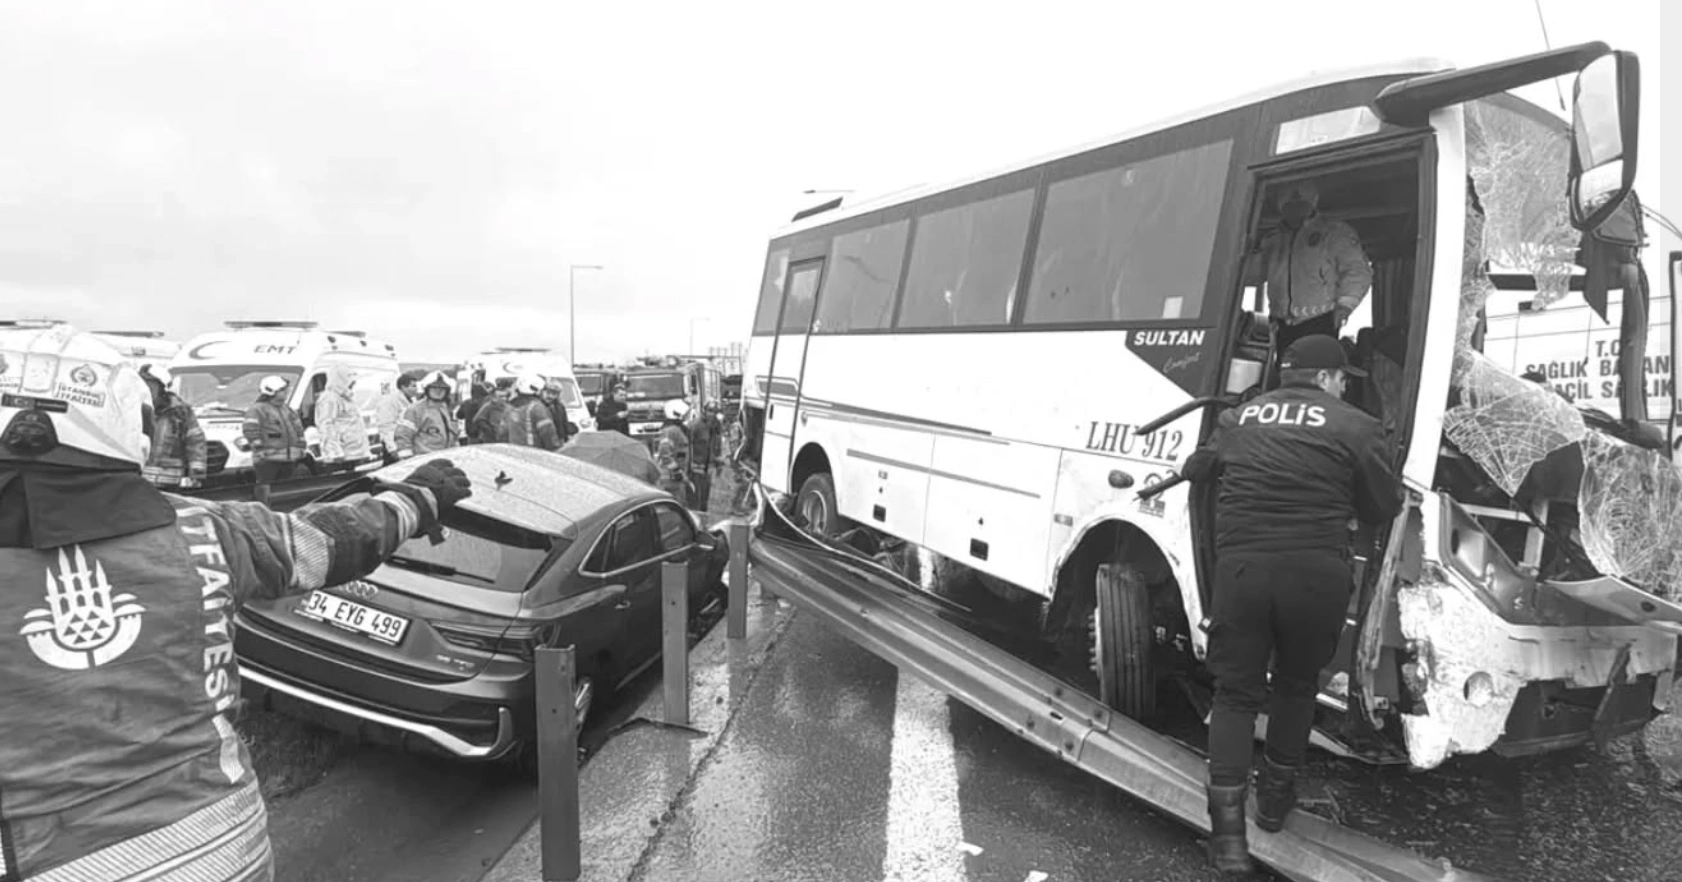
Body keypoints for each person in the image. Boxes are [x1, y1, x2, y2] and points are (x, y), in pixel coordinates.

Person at [0, 323, 474, 882]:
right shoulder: (203, 528)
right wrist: (417, 498)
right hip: (218, 842)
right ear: (128, 425)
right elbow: (327, 542)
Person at [1180, 334, 1403, 874]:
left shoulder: (1240, 419)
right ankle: (1275, 805)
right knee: (1297, 686)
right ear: (1326, 379)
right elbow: (1386, 504)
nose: (1344, 384)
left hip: (1244, 573)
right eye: (1342, 377)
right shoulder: (1355, 425)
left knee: (1235, 694)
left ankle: (1228, 840)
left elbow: (1196, 466)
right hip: (1315, 576)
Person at [1246, 180, 1374, 356]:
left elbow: (1357, 271)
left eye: (1300, 203)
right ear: (1280, 207)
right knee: (1285, 372)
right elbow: (1253, 275)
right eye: (1289, 205)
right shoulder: (1272, 240)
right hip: (1280, 324)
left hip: (1319, 321)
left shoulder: (1334, 233)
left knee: (1315, 372)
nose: (1295, 208)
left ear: (1313, 202)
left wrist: (1345, 306)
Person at [138, 364, 207, 491]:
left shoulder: (179, 411)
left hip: (168, 481)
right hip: (138, 481)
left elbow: (195, 440)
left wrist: (197, 471)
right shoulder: (132, 408)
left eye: (149, 385)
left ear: (162, 388)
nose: (144, 389)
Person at [241, 375, 307, 505]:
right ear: (272, 392)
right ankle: (265, 509)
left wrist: (301, 446)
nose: (286, 393)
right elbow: (250, 430)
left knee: (284, 489)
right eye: (283, 390)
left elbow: (298, 428)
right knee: (265, 487)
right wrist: (259, 448)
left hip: (289, 458)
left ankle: (282, 508)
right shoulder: (257, 409)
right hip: (268, 459)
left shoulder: (287, 409)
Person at [313, 365, 371, 466]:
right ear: (341, 379)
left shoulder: (346, 398)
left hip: (353, 453)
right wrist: (335, 453)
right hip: (341, 456)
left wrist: (364, 451)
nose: (353, 383)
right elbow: (326, 426)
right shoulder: (329, 398)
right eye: (350, 380)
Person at [394, 371, 459, 458]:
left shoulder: (444, 408)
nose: (438, 391)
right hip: (424, 460)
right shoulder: (415, 410)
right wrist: (408, 460)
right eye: (434, 388)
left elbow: (452, 434)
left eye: (442, 389)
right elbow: (403, 436)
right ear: (427, 389)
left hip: (445, 458)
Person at [375, 369, 424, 464]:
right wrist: (392, 448)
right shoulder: (390, 401)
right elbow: (386, 426)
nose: (416, 389)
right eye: (413, 386)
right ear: (403, 387)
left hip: (407, 442)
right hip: (394, 444)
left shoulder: (411, 400)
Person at [504, 373, 563, 451]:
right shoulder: (537, 408)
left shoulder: (509, 408)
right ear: (537, 390)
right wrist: (556, 450)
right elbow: (548, 435)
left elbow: (502, 434)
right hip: (534, 454)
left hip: (514, 453)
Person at [654, 399, 695, 507]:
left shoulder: (678, 430)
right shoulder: (671, 431)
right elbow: (665, 454)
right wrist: (678, 472)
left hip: (677, 478)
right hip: (671, 479)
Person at [688, 401, 724, 511]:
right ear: (704, 411)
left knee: (705, 499)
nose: (712, 414)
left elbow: (716, 445)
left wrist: (718, 461)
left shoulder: (716, 425)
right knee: (696, 499)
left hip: (708, 469)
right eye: (710, 411)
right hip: (695, 468)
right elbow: (688, 445)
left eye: (714, 412)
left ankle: (703, 521)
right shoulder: (695, 425)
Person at [470, 378, 514, 445]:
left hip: (504, 440)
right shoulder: (490, 404)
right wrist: (489, 432)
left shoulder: (510, 407)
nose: (503, 399)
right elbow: (477, 419)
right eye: (501, 396)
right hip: (492, 440)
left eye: (505, 396)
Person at [541, 378, 575, 446]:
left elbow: (564, 424)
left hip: (559, 442)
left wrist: (566, 437)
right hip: (543, 443)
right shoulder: (538, 406)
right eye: (548, 392)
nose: (550, 396)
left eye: (554, 394)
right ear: (543, 391)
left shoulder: (560, 407)